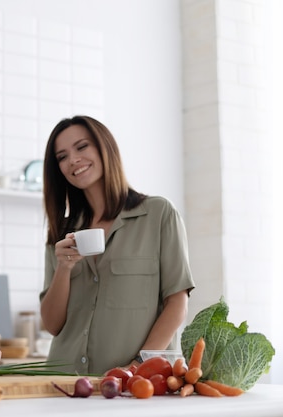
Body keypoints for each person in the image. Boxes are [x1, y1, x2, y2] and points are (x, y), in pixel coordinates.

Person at [39, 115, 195, 375]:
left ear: (104, 147)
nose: (73, 160)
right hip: (64, 381)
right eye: (62, 157)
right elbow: (53, 325)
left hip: (136, 383)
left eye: (81, 147)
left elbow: (177, 304)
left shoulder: (157, 214)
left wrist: (138, 367)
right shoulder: (63, 233)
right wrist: (64, 268)